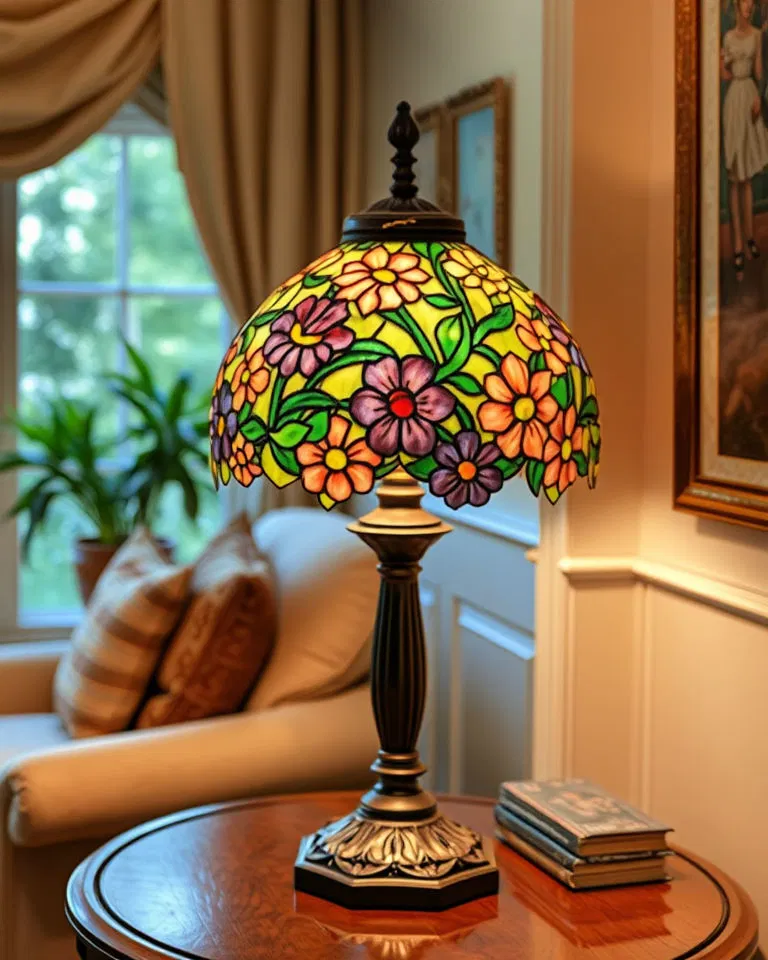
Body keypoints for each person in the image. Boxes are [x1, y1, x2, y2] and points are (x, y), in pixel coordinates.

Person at [722, 0, 768, 279]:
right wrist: (719, 65)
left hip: (749, 95)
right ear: (736, 6)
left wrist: (759, 96)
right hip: (733, 102)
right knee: (734, 176)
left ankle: (750, 236)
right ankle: (737, 241)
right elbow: (724, 74)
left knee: (747, 176)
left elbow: (759, 71)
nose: (748, 8)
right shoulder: (728, 37)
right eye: (745, 3)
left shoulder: (757, 35)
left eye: (752, 3)